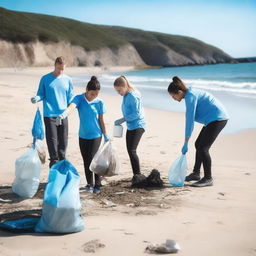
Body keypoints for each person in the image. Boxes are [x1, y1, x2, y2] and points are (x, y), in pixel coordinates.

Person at [167, 76, 229, 187]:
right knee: (198, 144)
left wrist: (185, 142)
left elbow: (189, 122)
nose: (173, 98)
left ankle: (208, 178)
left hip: (218, 118)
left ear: (179, 92)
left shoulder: (190, 97)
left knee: (203, 148)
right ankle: (196, 173)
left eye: (173, 96)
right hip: (212, 119)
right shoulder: (189, 93)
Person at [57, 76, 109, 194]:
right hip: (83, 135)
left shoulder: (100, 102)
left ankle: (97, 184)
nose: (94, 96)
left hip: (96, 134)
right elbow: (71, 107)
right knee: (86, 160)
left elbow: (101, 120)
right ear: (86, 90)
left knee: (93, 160)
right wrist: (64, 114)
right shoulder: (79, 98)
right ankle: (89, 184)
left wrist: (105, 134)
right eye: (92, 94)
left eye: (96, 94)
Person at [31, 56, 73, 168]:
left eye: (63, 69)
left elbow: (70, 98)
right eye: (59, 68)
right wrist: (37, 98)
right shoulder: (45, 78)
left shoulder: (68, 80)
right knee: (53, 145)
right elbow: (41, 93)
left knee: (63, 145)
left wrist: (69, 111)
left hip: (63, 115)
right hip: (49, 115)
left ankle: (63, 170)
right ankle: (54, 169)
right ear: (55, 65)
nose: (60, 71)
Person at [113, 76, 146, 181]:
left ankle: (138, 175)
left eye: (119, 90)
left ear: (125, 86)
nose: (118, 93)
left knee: (132, 151)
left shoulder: (132, 95)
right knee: (130, 150)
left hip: (138, 125)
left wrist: (122, 120)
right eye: (116, 91)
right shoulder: (126, 95)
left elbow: (137, 113)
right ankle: (136, 175)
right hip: (131, 126)